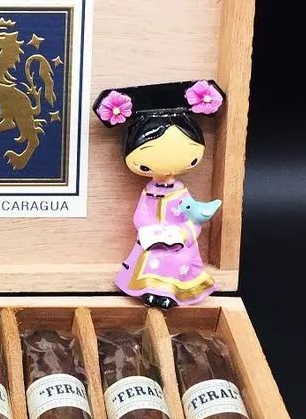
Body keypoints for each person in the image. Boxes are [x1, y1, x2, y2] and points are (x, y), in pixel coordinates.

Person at [94, 78, 224, 309]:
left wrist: (183, 233)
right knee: (150, 259)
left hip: (178, 243)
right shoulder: (149, 191)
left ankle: (169, 292)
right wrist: (149, 229)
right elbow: (141, 215)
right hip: (153, 240)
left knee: (179, 260)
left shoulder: (181, 192)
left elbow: (193, 217)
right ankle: (152, 291)